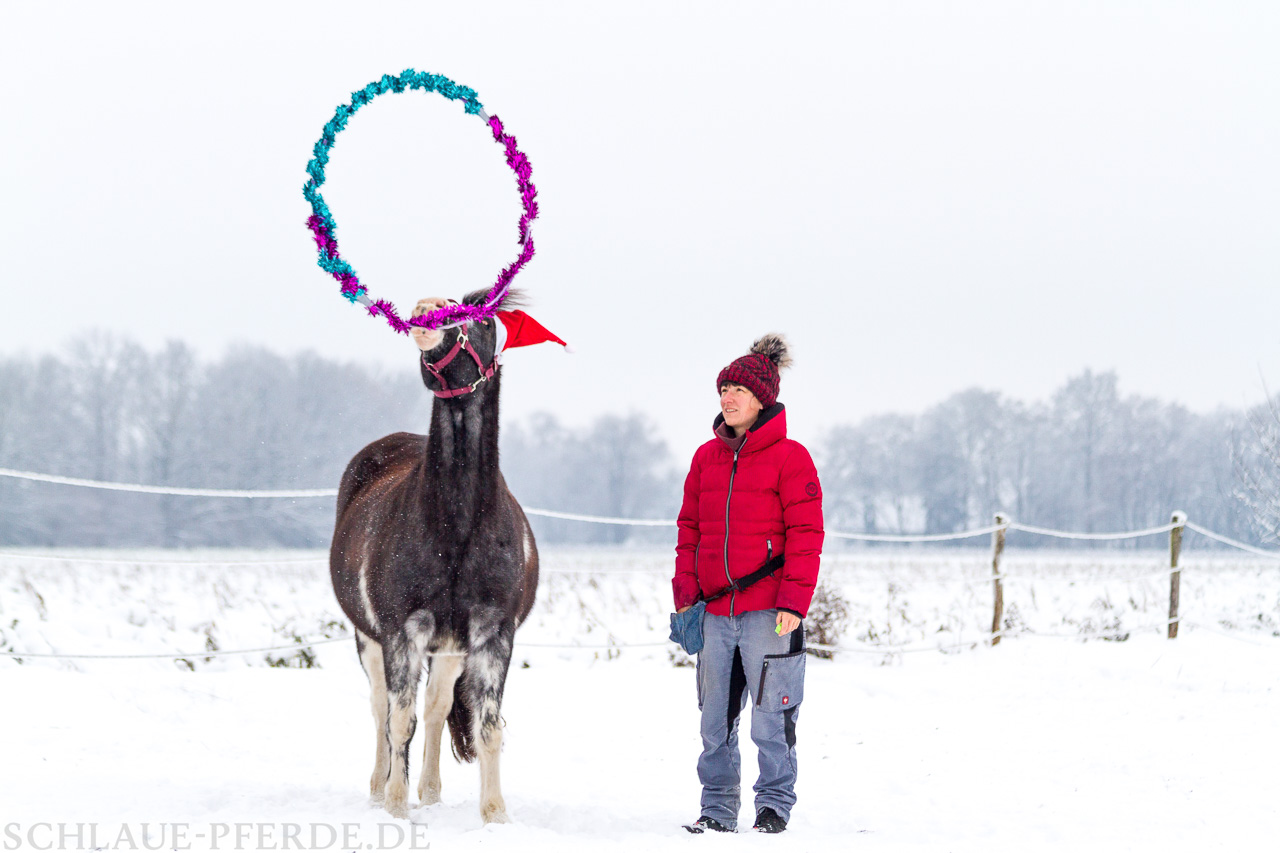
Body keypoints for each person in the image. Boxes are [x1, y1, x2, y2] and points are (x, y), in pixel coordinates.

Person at [672, 334, 824, 835]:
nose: (727, 398)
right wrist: (686, 597)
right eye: (723, 389)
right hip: (715, 614)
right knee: (713, 721)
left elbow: (807, 535)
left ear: (762, 398)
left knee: (770, 721)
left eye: (737, 389)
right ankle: (716, 808)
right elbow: (688, 531)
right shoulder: (704, 459)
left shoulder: (791, 458)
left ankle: (773, 805)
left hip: (769, 612)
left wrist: (795, 603)